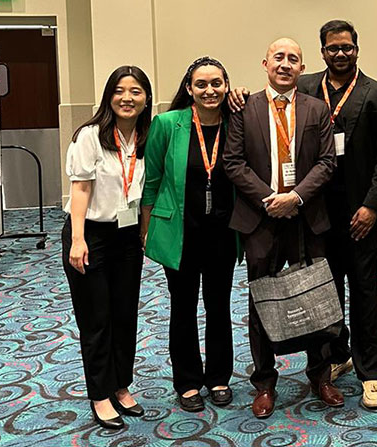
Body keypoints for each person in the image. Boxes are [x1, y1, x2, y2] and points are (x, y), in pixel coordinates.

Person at [222, 38, 338, 418]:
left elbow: (326, 163)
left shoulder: (318, 109)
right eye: (279, 57)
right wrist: (271, 198)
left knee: (314, 298)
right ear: (265, 63)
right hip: (260, 218)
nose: (285, 64)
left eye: (293, 59)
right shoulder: (244, 107)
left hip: (306, 217)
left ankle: (320, 376)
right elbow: (233, 162)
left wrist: (296, 198)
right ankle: (265, 382)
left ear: (302, 68)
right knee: (262, 300)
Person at [295, 20, 377, 409]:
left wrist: (372, 206)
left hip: (360, 213)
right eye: (332, 48)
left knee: (364, 290)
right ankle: (337, 356)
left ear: (357, 49)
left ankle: (372, 371)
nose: (340, 54)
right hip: (316, 211)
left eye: (347, 48)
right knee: (324, 291)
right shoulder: (305, 88)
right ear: (322, 51)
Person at [140, 57, 241, 412]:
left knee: (219, 307)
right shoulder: (167, 124)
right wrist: (146, 227)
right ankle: (186, 382)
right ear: (189, 89)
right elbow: (151, 181)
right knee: (183, 308)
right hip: (180, 233)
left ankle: (218, 378)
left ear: (227, 86)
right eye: (202, 84)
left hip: (224, 234)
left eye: (217, 83)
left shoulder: (236, 124)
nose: (209, 90)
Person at [62, 65, 152, 429]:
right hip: (90, 235)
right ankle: (99, 394)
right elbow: (80, 189)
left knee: (125, 314)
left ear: (146, 99)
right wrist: (79, 239)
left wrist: (144, 234)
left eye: (136, 91)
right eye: (119, 90)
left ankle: (121, 385)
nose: (127, 98)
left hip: (126, 237)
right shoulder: (90, 135)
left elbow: (146, 192)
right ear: (108, 95)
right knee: (96, 319)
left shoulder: (146, 136)